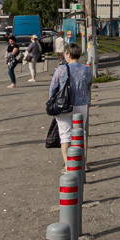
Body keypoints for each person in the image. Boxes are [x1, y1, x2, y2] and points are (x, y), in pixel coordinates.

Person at [49, 41, 94, 171]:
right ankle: (83, 163)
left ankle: (68, 164)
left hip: (63, 105)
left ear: (68, 54)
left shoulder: (61, 69)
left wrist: (52, 103)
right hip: (81, 105)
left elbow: (53, 88)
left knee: (65, 135)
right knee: (81, 134)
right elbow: (89, 85)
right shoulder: (86, 69)